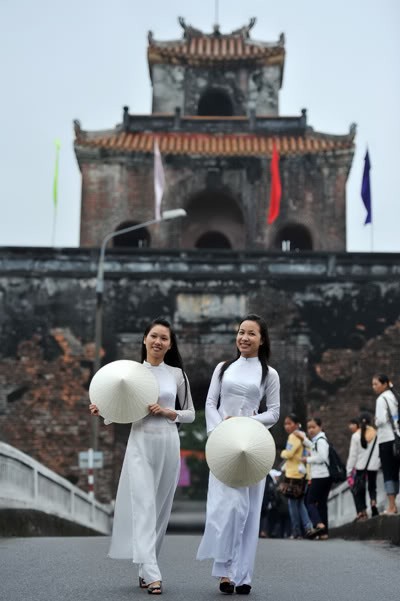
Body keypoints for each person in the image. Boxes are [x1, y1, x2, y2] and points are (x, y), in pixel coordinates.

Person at [89, 318, 195, 595]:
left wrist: (169, 412)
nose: (158, 342)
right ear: (144, 339)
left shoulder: (176, 375)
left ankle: (146, 566)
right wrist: (103, 412)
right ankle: (152, 572)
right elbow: (120, 409)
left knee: (160, 510)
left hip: (168, 443)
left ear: (170, 344)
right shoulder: (130, 373)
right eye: (154, 336)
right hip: (140, 443)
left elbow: (191, 414)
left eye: (164, 338)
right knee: (144, 507)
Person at [196, 314, 280, 595]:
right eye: (241, 332)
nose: (244, 337)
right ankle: (225, 572)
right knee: (228, 508)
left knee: (249, 510)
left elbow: (274, 413)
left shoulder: (269, 374)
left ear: (262, 339)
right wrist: (219, 430)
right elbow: (210, 402)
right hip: (224, 443)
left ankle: (243, 575)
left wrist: (247, 423)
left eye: (251, 333)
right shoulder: (223, 368)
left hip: (252, 445)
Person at [280, 413, 315, 539]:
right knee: (300, 503)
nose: (287, 426)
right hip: (302, 474)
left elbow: (288, 454)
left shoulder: (293, 436)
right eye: (285, 424)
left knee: (292, 503)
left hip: (293, 475)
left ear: (296, 424)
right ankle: (308, 527)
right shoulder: (302, 435)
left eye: (289, 423)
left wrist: (282, 453)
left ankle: (296, 531)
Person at [295, 417, 331, 539]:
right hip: (323, 476)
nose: (310, 430)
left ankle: (318, 524)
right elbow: (313, 447)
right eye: (309, 427)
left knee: (309, 500)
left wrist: (307, 459)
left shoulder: (321, 440)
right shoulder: (318, 440)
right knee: (321, 504)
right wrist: (304, 439)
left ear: (320, 427)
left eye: (313, 427)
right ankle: (324, 533)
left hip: (320, 476)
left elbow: (322, 457)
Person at [373, 373, 400, 515]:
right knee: (396, 472)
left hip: (386, 440)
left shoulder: (381, 399)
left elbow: (381, 420)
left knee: (389, 473)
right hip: (397, 438)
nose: (374, 387)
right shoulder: (395, 396)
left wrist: (375, 420)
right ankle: (394, 504)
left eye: (376, 384)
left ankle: (391, 506)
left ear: (384, 384)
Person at [346, 412, 380, 520]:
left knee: (360, 489)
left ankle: (362, 511)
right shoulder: (376, 434)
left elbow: (353, 455)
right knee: (372, 487)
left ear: (359, 423)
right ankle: (373, 502)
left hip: (360, 467)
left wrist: (349, 469)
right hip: (373, 466)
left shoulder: (356, 436)